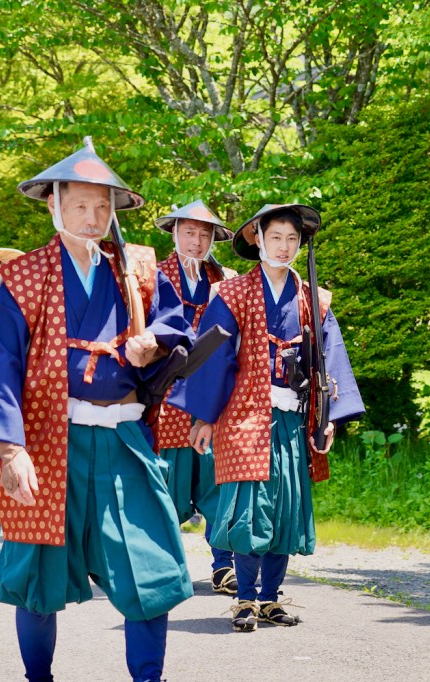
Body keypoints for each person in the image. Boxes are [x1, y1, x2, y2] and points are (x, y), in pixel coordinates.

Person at [0, 138, 194, 682]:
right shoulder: (22, 277)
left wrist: (155, 342)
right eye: (79, 205)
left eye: (101, 206)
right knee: (37, 573)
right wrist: (10, 450)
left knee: (148, 566)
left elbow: (175, 323)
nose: (92, 218)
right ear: (54, 205)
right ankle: (38, 677)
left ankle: (148, 677)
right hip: (47, 440)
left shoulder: (138, 268)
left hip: (124, 439)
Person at [168, 203, 364, 632]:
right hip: (243, 417)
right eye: (275, 237)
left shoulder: (314, 298)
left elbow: (329, 359)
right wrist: (203, 417)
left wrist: (328, 416)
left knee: (284, 509)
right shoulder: (233, 293)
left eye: (292, 239)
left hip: (292, 418)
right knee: (248, 508)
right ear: (257, 238)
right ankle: (244, 599)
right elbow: (214, 356)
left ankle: (271, 598)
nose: (284, 247)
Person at [153, 200, 239, 595]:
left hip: (213, 398)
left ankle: (224, 566)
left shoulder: (227, 281)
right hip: (167, 399)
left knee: (217, 485)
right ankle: (164, 567)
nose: (197, 241)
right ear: (174, 234)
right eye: (189, 232)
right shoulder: (153, 277)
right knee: (165, 488)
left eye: (205, 234)